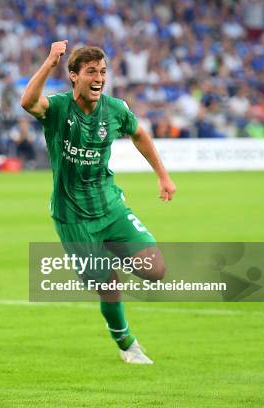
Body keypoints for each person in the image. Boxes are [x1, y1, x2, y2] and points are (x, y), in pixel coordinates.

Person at [21, 43, 176, 364]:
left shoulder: (116, 109)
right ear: (74, 76)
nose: (99, 78)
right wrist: (50, 61)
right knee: (107, 286)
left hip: (109, 205)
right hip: (72, 217)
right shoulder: (59, 108)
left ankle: (109, 256)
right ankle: (126, 344)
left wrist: (163, 175)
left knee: (156, 269)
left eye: (103, 72)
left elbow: (140, 135)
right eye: (91, 71)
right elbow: (28, 102)